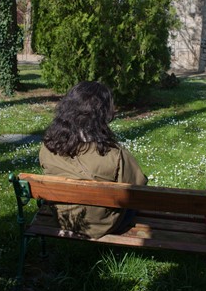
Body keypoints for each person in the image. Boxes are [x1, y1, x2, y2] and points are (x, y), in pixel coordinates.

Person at [39, 81, 147, 239]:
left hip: (64, 219)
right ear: (103, 114)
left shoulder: (47, 148)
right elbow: (139, 187)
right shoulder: (115, 154)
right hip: (103, 224)